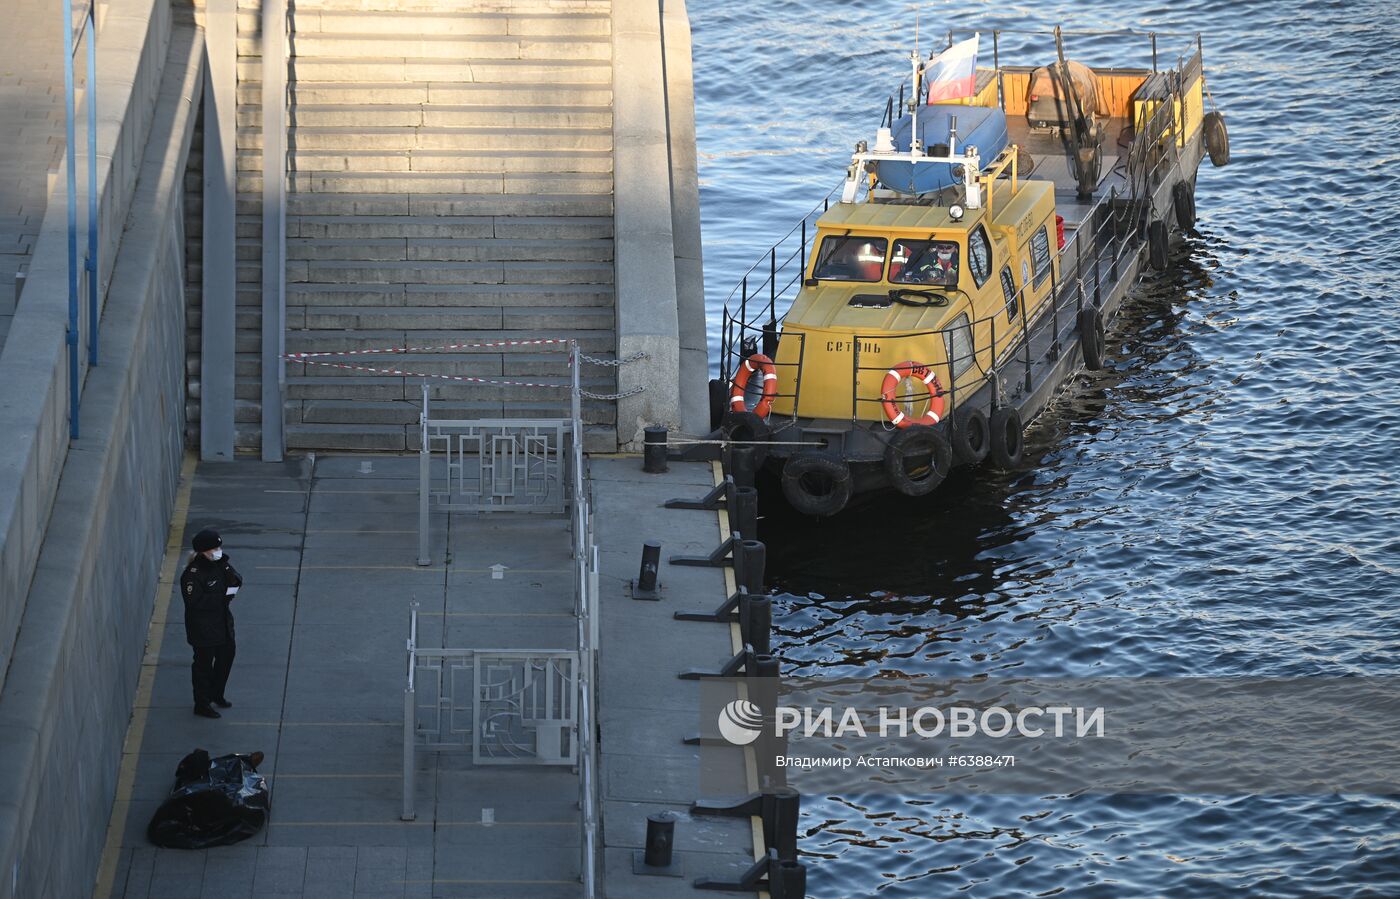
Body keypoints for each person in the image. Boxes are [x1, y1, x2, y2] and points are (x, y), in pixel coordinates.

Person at [181, 529, 242, 719]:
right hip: (203, 629)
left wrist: (231, 581)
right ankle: (202, 703)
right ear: (203, 551)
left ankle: (217, 693)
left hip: (223, 624)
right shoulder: (192, 575)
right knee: (203, 667)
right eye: (214, 548)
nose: (218, 551)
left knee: (226, 660)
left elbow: (236, 579)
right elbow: (194, 602)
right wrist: (222, 597)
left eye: (219, 547)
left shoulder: (220, 564)